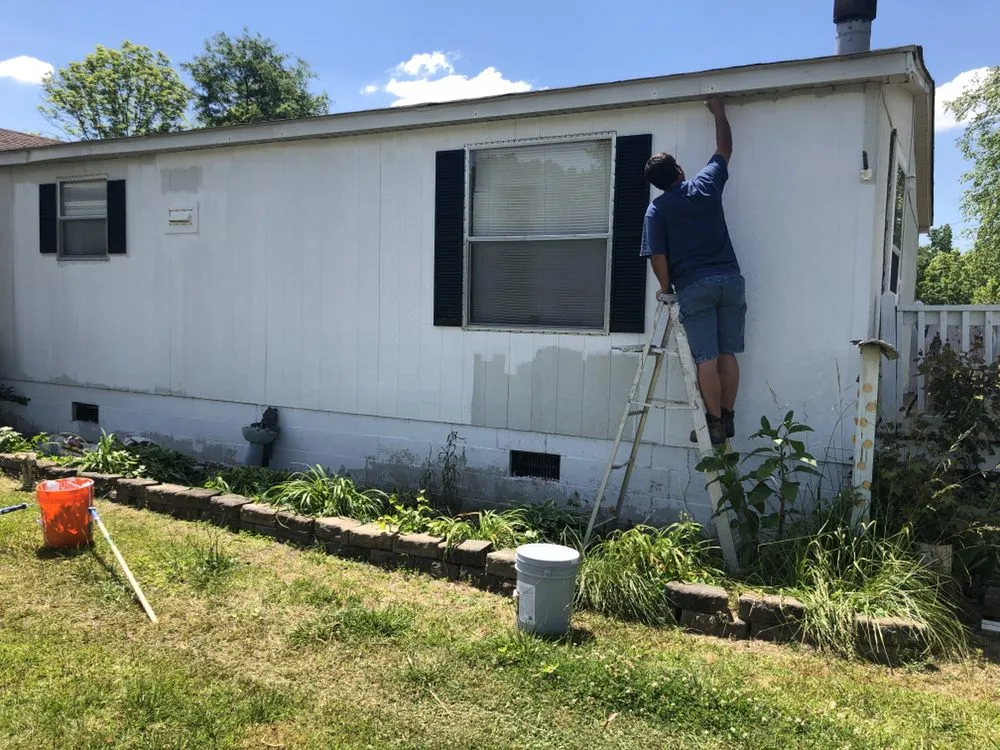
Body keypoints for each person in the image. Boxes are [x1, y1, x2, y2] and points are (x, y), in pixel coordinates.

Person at [639, 98, 746, 446]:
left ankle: (713, 424)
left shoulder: (657, 210)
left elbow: (657, 255)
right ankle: (728, 417)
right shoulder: (704, 184)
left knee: (706, 358)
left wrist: (665, 287)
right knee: (727, 353)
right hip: (730, 280)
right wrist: (719, 112)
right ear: (680, 170)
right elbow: (724, 147)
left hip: (694, 286)